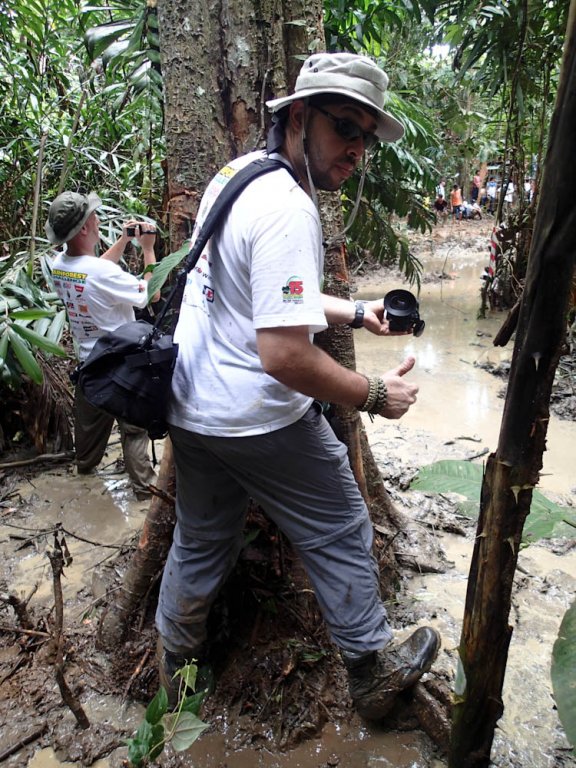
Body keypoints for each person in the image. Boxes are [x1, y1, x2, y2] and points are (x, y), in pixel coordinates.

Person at [155, 52, 440, 720]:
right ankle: (371, 671)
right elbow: (283, 355)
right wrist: (374, 394)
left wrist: (350, 311)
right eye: (346, 128)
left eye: (366, 136)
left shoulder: (238, 176)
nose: (357, 150)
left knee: (200, 541)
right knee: (342, 520)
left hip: (191, 408)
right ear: (300, 116)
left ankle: (175, 676)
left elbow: (257, 290)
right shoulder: (290, 207)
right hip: (259, 416)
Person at [45, 192, 159, 499]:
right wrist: (148, 250)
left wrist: (123, 241)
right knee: (134, 432)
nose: (98, 220)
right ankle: (146, 494)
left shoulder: (60, 264)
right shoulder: (101, 272)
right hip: (120, 369)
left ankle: (84, 474)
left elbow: (92, 270)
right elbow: (152, 293)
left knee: (88, 433)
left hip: (88, 366)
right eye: (93, 216)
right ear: (84, 229)